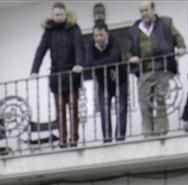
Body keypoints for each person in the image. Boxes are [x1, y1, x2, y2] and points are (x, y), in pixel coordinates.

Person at [31, 2, 85, 148]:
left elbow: (79, 47)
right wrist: (35, 70)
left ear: (65, 14)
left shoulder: (74, 28)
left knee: (73, 108)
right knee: (60, 109)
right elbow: (41, 50)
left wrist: (79, 64)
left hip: (72, 75)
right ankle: (62, 139)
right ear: (52, 16)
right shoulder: (49, 31)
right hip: (56, 76)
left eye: (61, 14)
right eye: (56, 15)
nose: (59, 17)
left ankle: (74, 138)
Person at [128, 1, 186, 137]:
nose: (144, 13)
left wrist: (181, 47)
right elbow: (128, 50)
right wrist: (131, 58)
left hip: (162, 68)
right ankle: (148, 133)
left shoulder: (165, 23)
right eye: (141, 11)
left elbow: (178, 37)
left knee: (160, 100)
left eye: (146, 10)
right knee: (144, 103)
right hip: (144, 70)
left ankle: (161, 132)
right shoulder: (135, 29)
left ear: (153, 9)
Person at [86, 20, 129, 142]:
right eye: (96, 35)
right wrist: (108, 63)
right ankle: (107, 138)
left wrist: (99, 64)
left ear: (107, 34)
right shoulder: (90, 46)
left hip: (120, 80)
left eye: (101, 35)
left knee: (121, 108)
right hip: (103, 83)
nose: (98, 38)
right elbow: (88, 63)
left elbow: (115, 57)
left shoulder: (114, 41)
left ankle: (120, 137)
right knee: (104, 110)